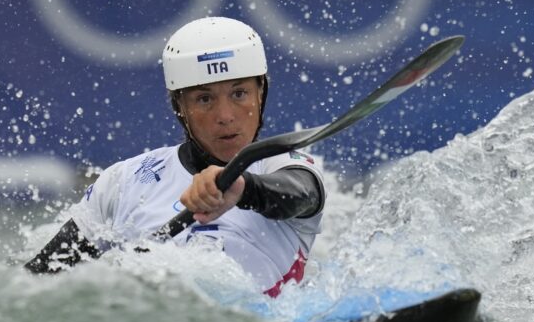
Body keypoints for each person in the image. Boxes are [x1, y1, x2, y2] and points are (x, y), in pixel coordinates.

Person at [25, 16, 325, 297]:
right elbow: (31, 286)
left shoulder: (285, 167)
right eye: (204, 99)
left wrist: (244, 189)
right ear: (179, 106)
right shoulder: (123, 182)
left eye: (239, 94)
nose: (225, 116)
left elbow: (301, 194)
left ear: (261, 92)